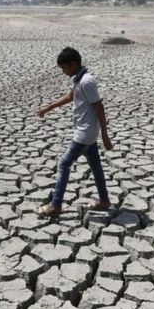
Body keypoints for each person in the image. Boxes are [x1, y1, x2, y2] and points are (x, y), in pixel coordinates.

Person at [35, 47, 113, 216]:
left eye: (64, 68)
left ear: (74, 64)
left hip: (84, 134)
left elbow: (99, 107)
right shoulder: (79, 80)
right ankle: (104, 200)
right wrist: (48, 108)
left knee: (64, 164)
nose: (63, 71)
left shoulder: (87, 81)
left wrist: (105, 136)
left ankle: (56, 204)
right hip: (87, 133)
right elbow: (70, 96)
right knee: (96, 166)